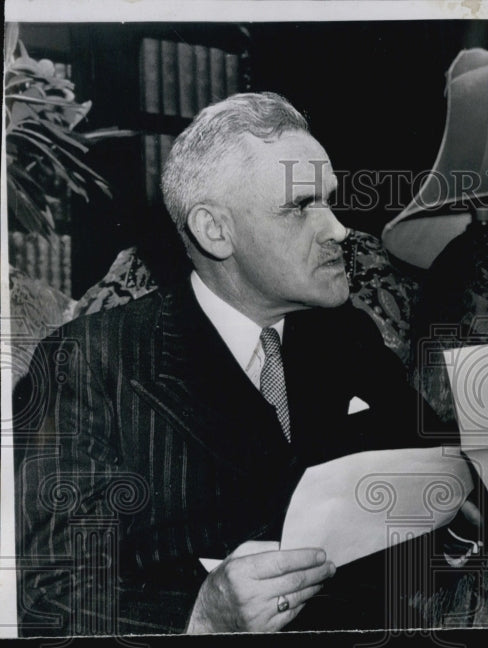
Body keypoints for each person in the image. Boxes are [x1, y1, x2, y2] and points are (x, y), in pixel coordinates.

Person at [14, 92, 451, 635]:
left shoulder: (346, 334)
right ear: (214, 230)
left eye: (331, 200)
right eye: (301, 206)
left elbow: (443, 475)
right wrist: (199, 614)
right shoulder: (90, 363)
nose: (338, 229)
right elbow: (48, 595)